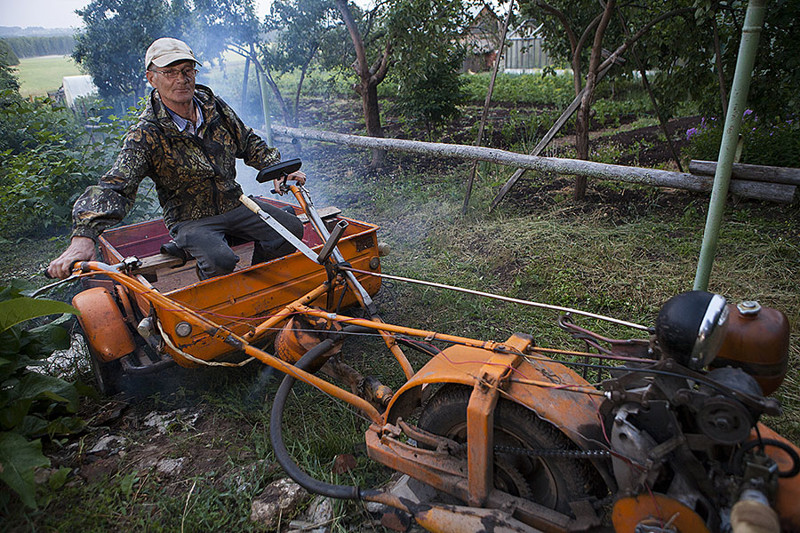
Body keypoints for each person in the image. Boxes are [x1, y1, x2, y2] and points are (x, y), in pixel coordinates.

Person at [47, 37, 305, 280]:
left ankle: (260, 284)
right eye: (170, 72)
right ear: (152, 78)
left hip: (234, 202)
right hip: (190, 219)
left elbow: (248, 143)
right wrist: (84, 235)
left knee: (289, 229)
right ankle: (212, 303)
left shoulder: (214, 107)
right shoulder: (146, 133)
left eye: (187, 70)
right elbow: (117, 186)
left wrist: (277, 169)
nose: (181, 79)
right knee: (219, 259)